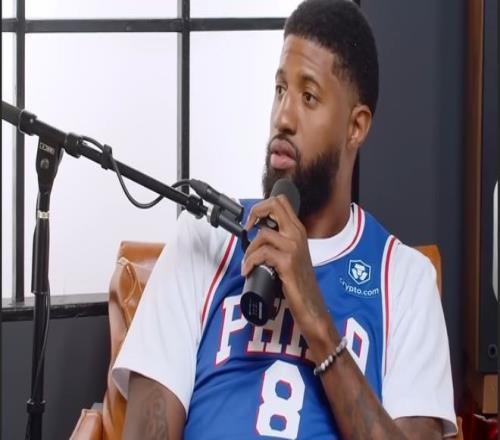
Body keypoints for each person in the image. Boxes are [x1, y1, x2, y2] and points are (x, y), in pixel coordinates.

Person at [112, 1, 457, 438]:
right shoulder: (204, 239)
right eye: (280, 90)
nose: (283, 117)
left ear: (356, 127)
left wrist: (316, 322)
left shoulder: (405, 280)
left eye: (309, 97)